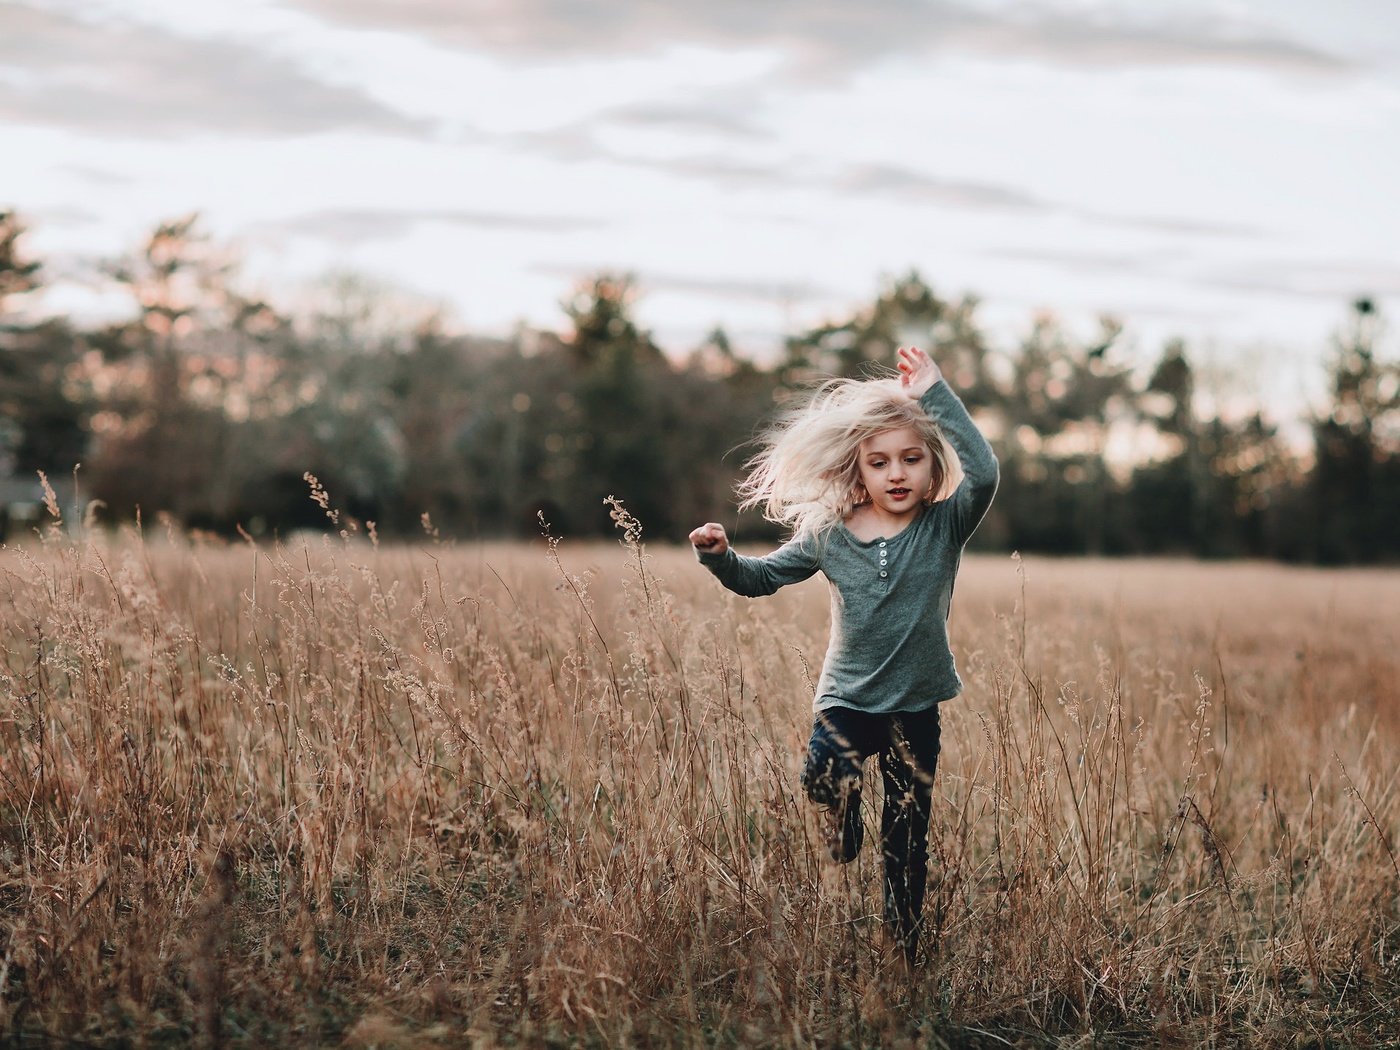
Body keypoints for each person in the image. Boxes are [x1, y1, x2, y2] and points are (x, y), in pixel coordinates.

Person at [688, 345, 998, 967]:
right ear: (859, 471)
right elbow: (762, 578)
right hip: (846, 701)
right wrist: (720, 557)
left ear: (933, 468)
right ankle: (842, 824)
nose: (897, 473)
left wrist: (935, 392)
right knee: (823, 778)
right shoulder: (830, 535)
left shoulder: (945, 526)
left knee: (907, 839)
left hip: (915, 706)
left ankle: (904, 948)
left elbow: (986, 472)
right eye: (880, 462)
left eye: (912, 459)